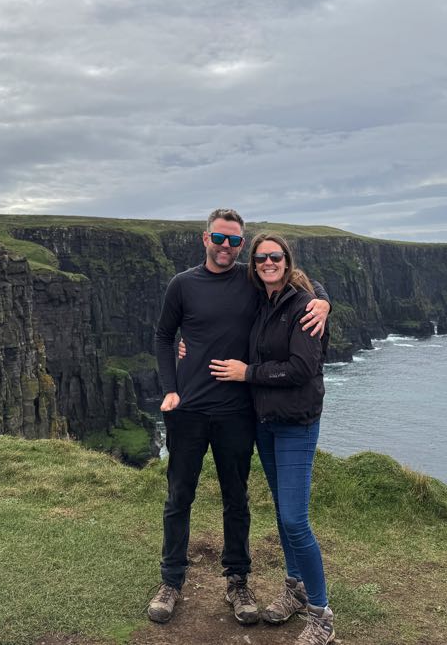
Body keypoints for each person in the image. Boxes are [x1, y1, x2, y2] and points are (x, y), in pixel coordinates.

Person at [148, 209, 330, 626]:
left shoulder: (252, 280)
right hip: (190, 408)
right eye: (219, 238)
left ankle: (238, 581)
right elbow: (163, 335)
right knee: (179, 498)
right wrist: (170, 388)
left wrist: (324, 302)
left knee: (236, 499)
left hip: (238, 411)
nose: (226, 246)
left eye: (234, 241)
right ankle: (171, 581)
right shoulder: (183, 284)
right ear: (205, 238)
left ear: (242, 245)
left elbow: (298, 283)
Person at [209, 233, 335, 645]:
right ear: (255, 264)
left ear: (287, 260)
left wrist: (247, 373)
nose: (267, 263)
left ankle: (321, 615)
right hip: (266, 422)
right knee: (283, 513)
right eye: (261, 257)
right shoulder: (260, 300)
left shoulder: (303, 305)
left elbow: (301, 368)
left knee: (296, 520)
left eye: (275, 257)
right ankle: (295, 589)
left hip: (296, 422)